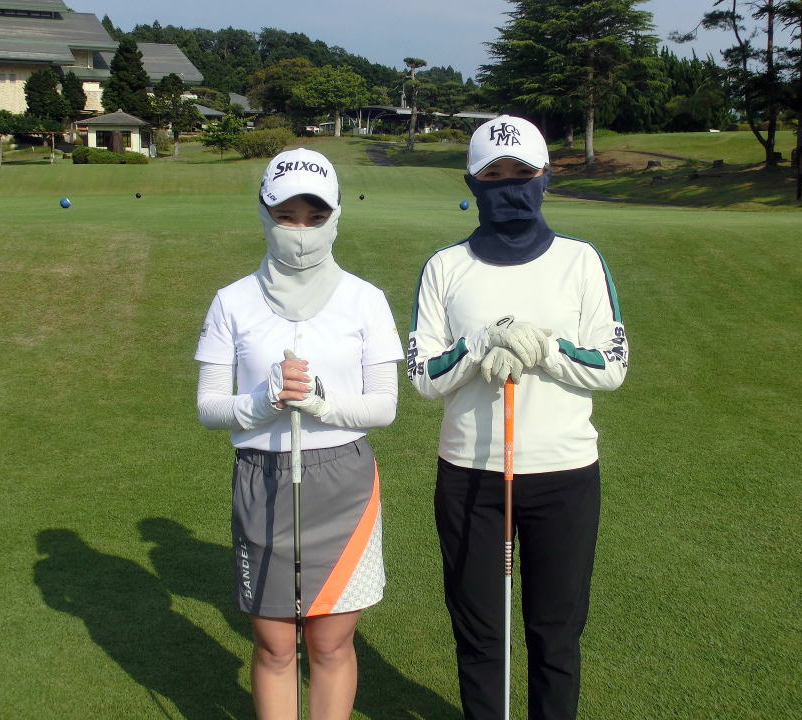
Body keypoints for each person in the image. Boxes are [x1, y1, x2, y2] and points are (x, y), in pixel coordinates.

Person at [407, 115, 628, 719]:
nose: (509, 186)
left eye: (522, 173)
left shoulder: (580, 261)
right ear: (471, 183)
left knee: (556, 635)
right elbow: (423, 376)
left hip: (564, 475)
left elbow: (611, 366)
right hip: (471, 476)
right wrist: (480, 344)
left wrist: (546, 349)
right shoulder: (445, 267)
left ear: (546, 177)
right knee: (480, 634)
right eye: (494, 175)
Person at [195, 148, 404, 720]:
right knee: (274, 646)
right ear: (264, 214)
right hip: (261, 479)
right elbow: (209, 407)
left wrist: (320, 402)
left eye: (315, 217)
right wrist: (262, 400)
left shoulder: (365, 299)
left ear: (335, 216)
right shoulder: (232, 301)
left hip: (342, 482)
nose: (301, 230)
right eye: (287, 215)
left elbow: (384, 407)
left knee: (330, 645)